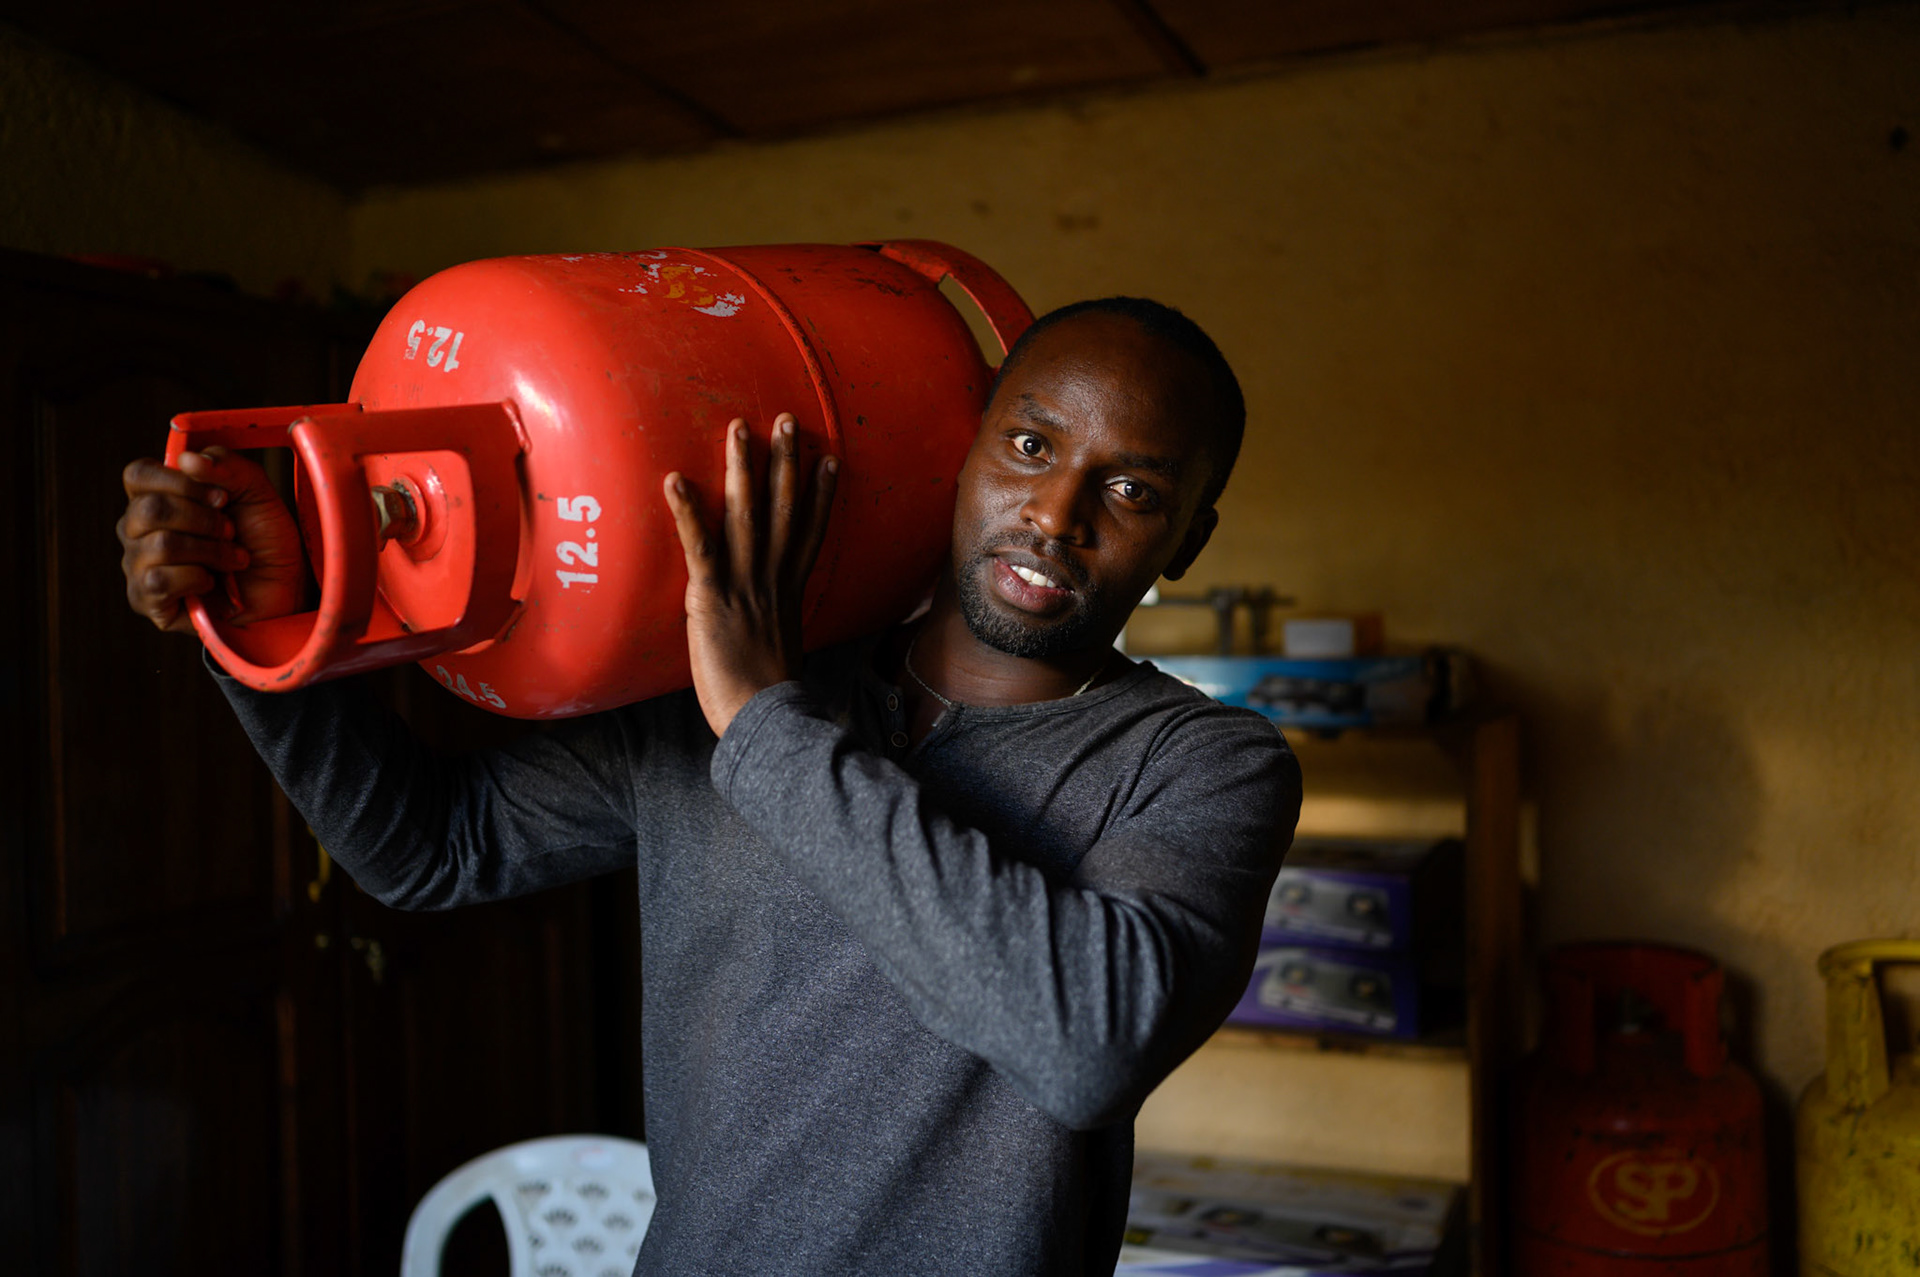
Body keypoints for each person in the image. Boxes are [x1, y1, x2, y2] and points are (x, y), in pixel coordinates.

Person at [117, 297, 1302, 1275]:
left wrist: (764, 720)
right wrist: (273, 621)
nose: (1056, 514)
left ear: (1189, 538)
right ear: (969, 444)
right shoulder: (746, 672)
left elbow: (1087, 1043)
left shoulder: (1202, 763)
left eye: (1133, 491)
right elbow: (431, 847)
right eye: (1031, 447)